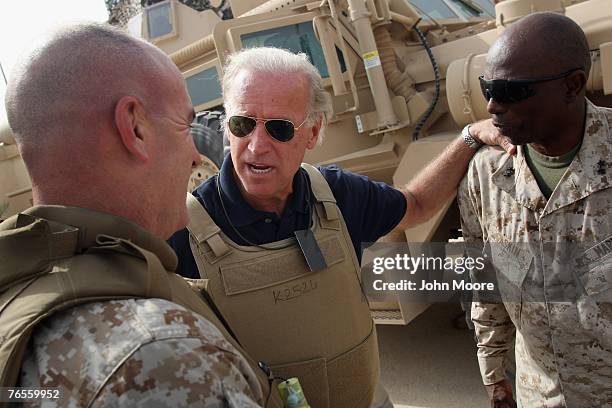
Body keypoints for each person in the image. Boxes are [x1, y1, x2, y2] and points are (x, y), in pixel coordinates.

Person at [169, 47, 514, 407]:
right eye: (242, 124)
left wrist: (470, 137)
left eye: (279, 129)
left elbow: (416, 204)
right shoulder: (183, 231)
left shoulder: (336, 195)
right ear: (226, 125)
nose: (256, 146)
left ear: (313, 132)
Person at [0, 23, 283, 407]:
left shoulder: (19, 284)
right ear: (134, 127)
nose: (196, 157)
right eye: (185, 126)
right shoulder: (158, 359)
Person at [458, 12, 612, 407]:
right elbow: (486, 281)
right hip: (539, 396)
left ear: (572, 86)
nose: (493, 105)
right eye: (488, 87)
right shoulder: (487, 174)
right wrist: (494, 376)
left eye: (513, 90)